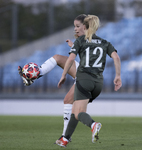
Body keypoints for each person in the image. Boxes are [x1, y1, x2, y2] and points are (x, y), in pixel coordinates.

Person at [18, 14, 87, 142]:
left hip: (87, 75)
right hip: (84, 71)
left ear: (85, 26)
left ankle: (66, 136)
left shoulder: (90, 39)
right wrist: (74, 46)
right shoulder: (84, 39)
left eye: (77, 26)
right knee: (57, 58)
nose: (75, 29)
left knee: (67, 101)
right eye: (74, 26)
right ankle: (35, 75)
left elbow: (88, 57)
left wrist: (74, 49)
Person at [57, 15, 122, 148]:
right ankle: (65, 139)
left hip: (84, 80)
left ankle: (93, 125)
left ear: (85, 27)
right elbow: (116, 57)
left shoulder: (81, 40)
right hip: (98, 83)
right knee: (76, 111)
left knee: (79, 113)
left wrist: (63, 75)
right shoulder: (105, 42)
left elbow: (70, 59)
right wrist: (118, 76)